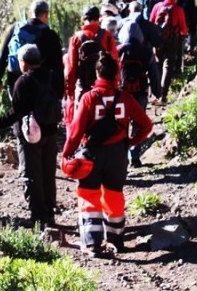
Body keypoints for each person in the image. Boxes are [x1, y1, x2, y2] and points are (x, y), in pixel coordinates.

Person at [61, 53, 153, 255]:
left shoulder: (88, 98)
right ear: (117, 74)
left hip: (92, 154)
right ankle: (116, 240)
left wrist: (66, 154)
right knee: (114, 196)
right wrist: (130, 142)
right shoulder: (125, 98)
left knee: (89, 195)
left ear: (97, 73)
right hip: (118, 155)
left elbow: (76, 132)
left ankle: (93, 244)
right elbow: (146, 125)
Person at [0, 45, 62, 228]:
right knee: (48, 174)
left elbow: (15, 113)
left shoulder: (24, 82)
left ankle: (39, 219)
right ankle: (50, 214)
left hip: (29, 136)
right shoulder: (53, 76)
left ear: (24, 62)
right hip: (51, 132)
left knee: (31, 175)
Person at [0, 0, 63, 98]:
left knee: (18, 110)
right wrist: (59, 93)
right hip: (39, 85)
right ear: (46, 15)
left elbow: (3, 54)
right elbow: (57, 66)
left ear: (30, 13)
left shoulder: (16, 28)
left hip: (15, 82)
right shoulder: (50, 35)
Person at [117, 20, 160, 167]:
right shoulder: (146, 51)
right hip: (140, 92)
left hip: (121, 93)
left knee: (121, 124)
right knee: (138, 124)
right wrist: (157, 92)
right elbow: (154, 73)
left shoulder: (118, 50)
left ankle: (121, 155)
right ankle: (134, 156)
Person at [65, 5, 119, 119]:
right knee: (106, 118)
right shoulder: (108, 37)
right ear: (99, 18)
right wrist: (114, 84)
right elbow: (115, 62)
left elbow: (71, 68)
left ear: (83, 19)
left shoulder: (76, 38)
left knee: (80, 119)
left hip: (83, 85)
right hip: (105, 86)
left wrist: (70, 91)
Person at [149, 0, 188, 103]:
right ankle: (163, 95)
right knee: (168, 66)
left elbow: (151, 23)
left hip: (157, 40)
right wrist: (182, 33)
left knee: (157, 65)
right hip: (172, 40)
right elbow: (183, 29)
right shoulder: (178, 9)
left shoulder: (157, 7)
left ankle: (154, 94)